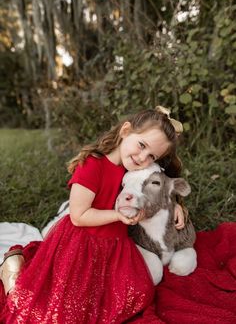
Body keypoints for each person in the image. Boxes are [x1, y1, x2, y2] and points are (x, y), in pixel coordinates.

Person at [0, 106, 186, 324]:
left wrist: (174, 205)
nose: (142, 157)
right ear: (125, 131)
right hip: (81, 245)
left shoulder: (136, 169)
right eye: (141, 145)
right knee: (64, 311)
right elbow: (79, 216)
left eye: (151, 155)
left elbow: (160, 185)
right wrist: (118, 216)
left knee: (138, 293)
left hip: (115, 245)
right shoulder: (92, 165)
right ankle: (14, 272)